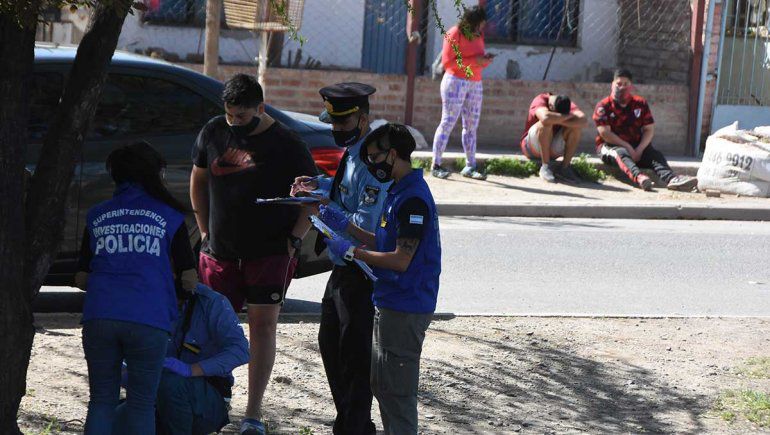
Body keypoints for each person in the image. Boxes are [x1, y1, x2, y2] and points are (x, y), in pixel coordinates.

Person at [189, 73, 318, 435]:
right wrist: (203, 230)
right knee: (214, 329)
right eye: (229, 115)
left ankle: (253, 414)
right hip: (219, 253)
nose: (234, 123)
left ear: (260, 108)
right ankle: (215, 402)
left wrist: (295, 239)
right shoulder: (213, 132)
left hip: (269, 254)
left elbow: (310, 197)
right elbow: (198, 180)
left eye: (241, 117)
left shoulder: (288, 143)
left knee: (263, 328)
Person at [317, 123, 441, 434]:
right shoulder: (397, 192)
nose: (371, 165)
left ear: (394, 154)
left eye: (375, 158)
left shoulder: (412, 199)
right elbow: (384, 241)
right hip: (389, 301)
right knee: (383, 386)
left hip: (406, 305)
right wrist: (346, 226)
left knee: (397, 395)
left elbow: (400, 259)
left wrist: (352, 253)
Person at [76, 141, 197, 434]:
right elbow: (189, 277)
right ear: (154, 175)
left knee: (101, 401)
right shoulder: (169, 217)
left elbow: (81, 278)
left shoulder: (96, 215)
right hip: (149, 318)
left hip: (100, 316)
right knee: (141, 403)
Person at [291, 82, 390, 434]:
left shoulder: (373, 162)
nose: (335, 131)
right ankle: (351, 421)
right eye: (332, 124)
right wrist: (316, 184)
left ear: (362, 119)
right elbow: (344, 191)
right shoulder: (352, 154)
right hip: (341, 265)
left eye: (342, 124)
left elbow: (365, 222)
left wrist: (325, 209)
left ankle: (355, 424)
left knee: (353, 353)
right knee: (330, 343)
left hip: (360, 267)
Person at [115, 283, 249, 435]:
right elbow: (123, 359)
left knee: (171, 384)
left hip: (205, 399)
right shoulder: (143, 300)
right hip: (153, 396)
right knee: (113, 422)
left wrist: (191, 370)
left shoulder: (212, 302)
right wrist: (129, 373)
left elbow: (240, 351)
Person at [593, 69, 698, 191]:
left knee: (654, 155)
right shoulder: (604, 106)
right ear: (612, 84)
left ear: (631, 85)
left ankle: (672, 179)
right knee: (621, 153)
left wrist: (640, 149)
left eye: (625, 84)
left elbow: (649, 129)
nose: (622, 87)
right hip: (611, 147)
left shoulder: (640, 103)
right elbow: (605, 133)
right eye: (618, 84)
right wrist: (627, 147)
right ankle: (640, 178)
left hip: (636, 147)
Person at [431, 5, 493, 180]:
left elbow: (477, 58)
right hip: (455, 82)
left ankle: (470, 166)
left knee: (471, 126)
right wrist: (476, 61)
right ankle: (436, 164)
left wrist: (485, 61)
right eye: (480, 24)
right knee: (448, 122)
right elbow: (448, 62)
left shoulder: (478, 34)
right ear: (472, 21)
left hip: (475, 83)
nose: (482, 28)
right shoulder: (454, 33)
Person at [521, 92, 587, 183]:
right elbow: (546, 118)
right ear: (551, 107)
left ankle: (564, 168)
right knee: (546, 123)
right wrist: (567, 117)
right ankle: (545, 167)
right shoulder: (540, 100)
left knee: (576, 128)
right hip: (532, 148)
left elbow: (583, 121)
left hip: (552, 149)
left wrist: (556, 119)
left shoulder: (567, 103)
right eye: (557, 114)